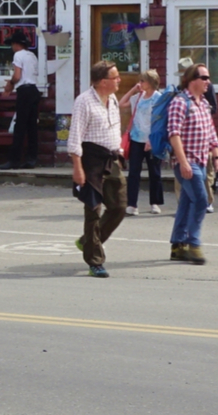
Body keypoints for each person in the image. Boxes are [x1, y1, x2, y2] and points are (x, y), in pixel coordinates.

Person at [69, 60, 128, 277]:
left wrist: (119, 150)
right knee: (93, 211)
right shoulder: (84, 101)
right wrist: (78, 168)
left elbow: (114, 127)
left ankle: (87, 241)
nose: (119, 80)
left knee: (119, 206)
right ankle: (95, 260)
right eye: (115, 77)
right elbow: (75, 136)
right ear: (103, 81)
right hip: (90, 159)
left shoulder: (111, 98)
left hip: (111, 158)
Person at [167, 62, 218, 263]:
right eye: (204, 78)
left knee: (188, 202)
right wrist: (183, 163)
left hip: (201, 161)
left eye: (208, 78)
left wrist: (217, 156)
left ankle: (178, 245)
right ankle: (194, 243)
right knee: (201, 200)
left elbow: (211, 132)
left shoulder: (204, 103)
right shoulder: (180, 102)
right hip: (186, 162)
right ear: (191, 81)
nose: (208, 82)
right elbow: (174, 134)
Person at [122, 69, 166, 215]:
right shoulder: (138, 96)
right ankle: (132, 204)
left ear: (151, 82)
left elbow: (160, 121)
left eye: (142, 81)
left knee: (155, 172)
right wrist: (133, 89)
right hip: (136, 139)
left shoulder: (159, 98)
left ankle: (155, 203)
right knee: (134, 172)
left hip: (152, 139)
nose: (140, 83)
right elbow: (122, 104)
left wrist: (151, 139)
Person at [3, 31, 41, 169]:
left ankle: (14, 160)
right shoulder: (32, 55)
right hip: (34, 90)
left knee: (19, 126)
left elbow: (17, 76)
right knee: (32, 127)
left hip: (24, 91)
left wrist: (10, 84)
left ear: (15, 44)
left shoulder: (18, 55)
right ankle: (31, 158)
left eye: (12, 44)